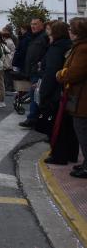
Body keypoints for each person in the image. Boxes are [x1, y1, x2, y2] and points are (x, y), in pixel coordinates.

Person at [38, 21, 75, 164]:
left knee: (57, 126)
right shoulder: (70, 46)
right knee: (69, 126)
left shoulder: (56, 48)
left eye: (50, 30)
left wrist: (44, 93)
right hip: (67, 91)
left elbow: (51, 73)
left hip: (55, 92)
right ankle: (71, 153)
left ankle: (59, 156)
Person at [56, 17, 87, 178]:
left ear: (77, 32)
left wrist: (60, 74)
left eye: (71, 29)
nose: (69, 32)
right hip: (80, 96)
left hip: (82, 99)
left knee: (82, 131)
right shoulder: (79, 47)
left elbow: (74, 73)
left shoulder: (82, 49)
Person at [19, 18, 49, 128]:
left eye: (35, 24)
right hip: (33, 71)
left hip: (39, 72)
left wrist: (40, 66)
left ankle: (33, 119)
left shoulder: (44, 37)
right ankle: (34, 118)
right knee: (34, 96)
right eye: (31, 24)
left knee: (35, 95)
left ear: (42, 25)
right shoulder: (34, 37)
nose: (33, 26)